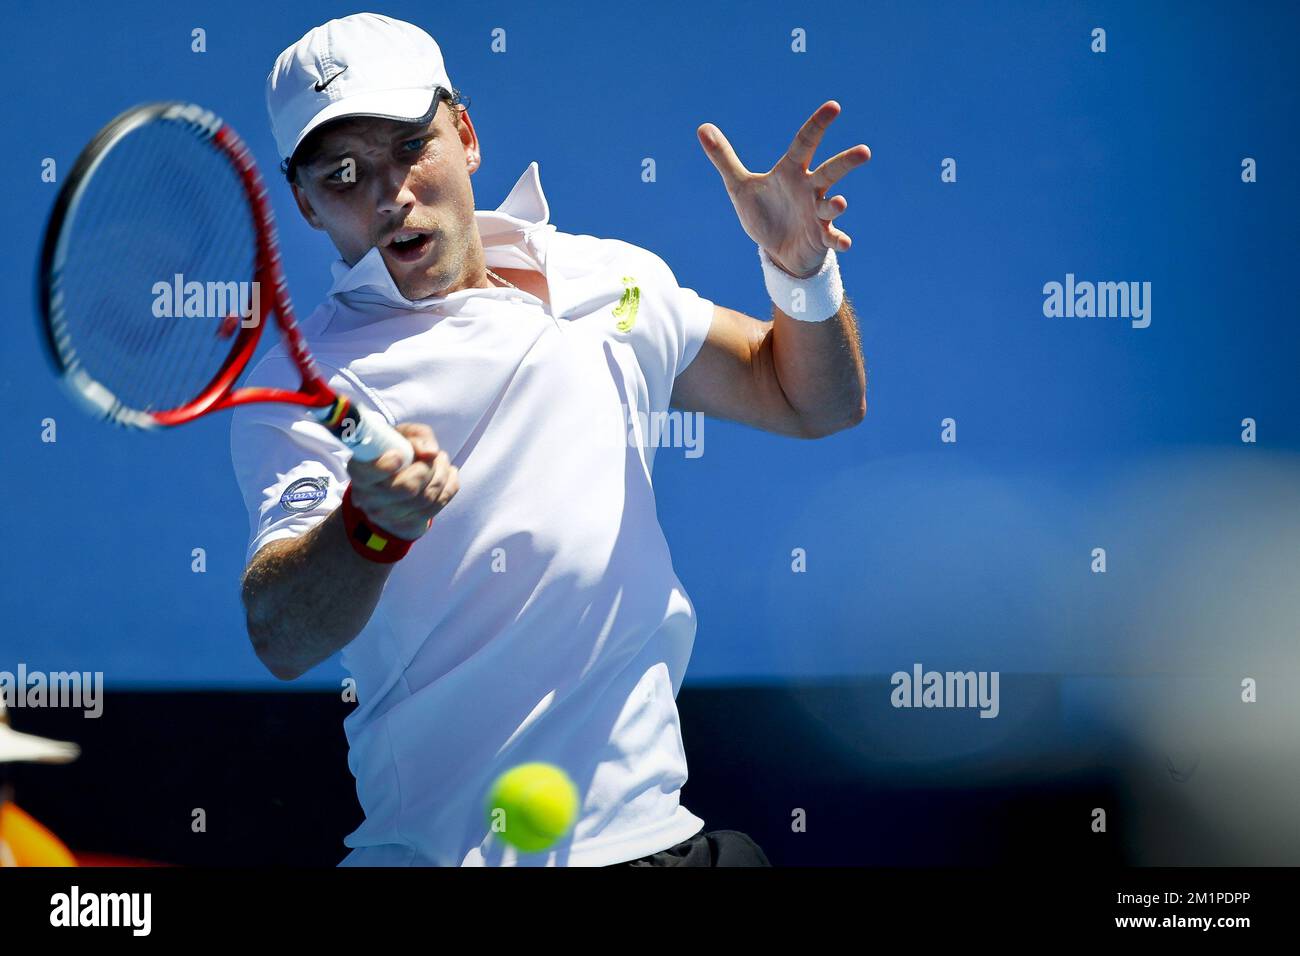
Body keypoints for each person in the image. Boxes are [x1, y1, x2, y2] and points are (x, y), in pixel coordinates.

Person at [233, 12, 868, 867]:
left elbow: (809, 400)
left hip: (660, 842)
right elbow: (281, 633)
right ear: (306, 203)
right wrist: (369, 526)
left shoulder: (607, 277)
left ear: (465, 134)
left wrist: (802, 270)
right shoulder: (307, 388)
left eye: (410, 147)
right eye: (343, 174)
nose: (389, 195)